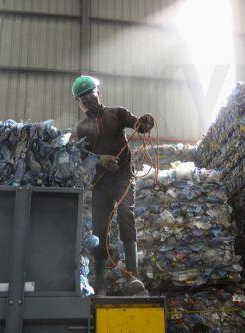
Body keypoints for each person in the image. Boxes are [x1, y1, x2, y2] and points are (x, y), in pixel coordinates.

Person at [73, 75, 154, 296]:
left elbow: (137, 124)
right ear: (80, 103)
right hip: (101, 183)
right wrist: (101, 160)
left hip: (123, 176)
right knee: (99, 229)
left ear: (98, 93)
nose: (87, 100)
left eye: (89, 94)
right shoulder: (82, 129)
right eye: (82, 98)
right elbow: (81, 156)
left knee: (125, 214)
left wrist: (145, 123)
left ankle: (134, 277)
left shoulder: (117, 114)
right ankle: (100, 284)